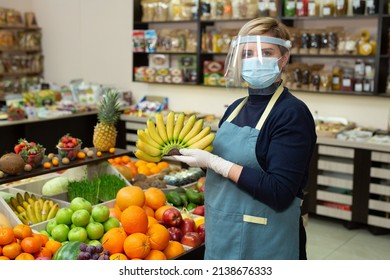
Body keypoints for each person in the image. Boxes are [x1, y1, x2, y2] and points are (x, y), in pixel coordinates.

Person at [172, 17, 317, 260]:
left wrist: (214, 162)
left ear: (283, 59)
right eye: (248, 53)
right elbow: (228, 173)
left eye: (266, 52)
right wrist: (196, 160)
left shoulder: (291, 113)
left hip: (264, 242)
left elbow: (280, 191)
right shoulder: (235, 108)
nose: (256, 59)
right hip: (222, 234)